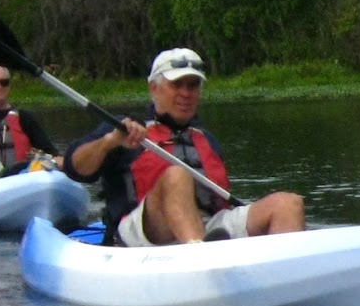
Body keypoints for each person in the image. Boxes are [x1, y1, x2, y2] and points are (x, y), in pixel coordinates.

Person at [63, 47, 306, 245]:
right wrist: (111, 141)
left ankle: (290, 279)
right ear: (154, 88)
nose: (186, 93)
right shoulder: (126, 129)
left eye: (192, 85)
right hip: (145, 232)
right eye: (177, 85)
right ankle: (204, 263)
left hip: (208, 226)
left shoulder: (205, 138)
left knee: (288, 203)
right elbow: (76, 168)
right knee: (177, 175)